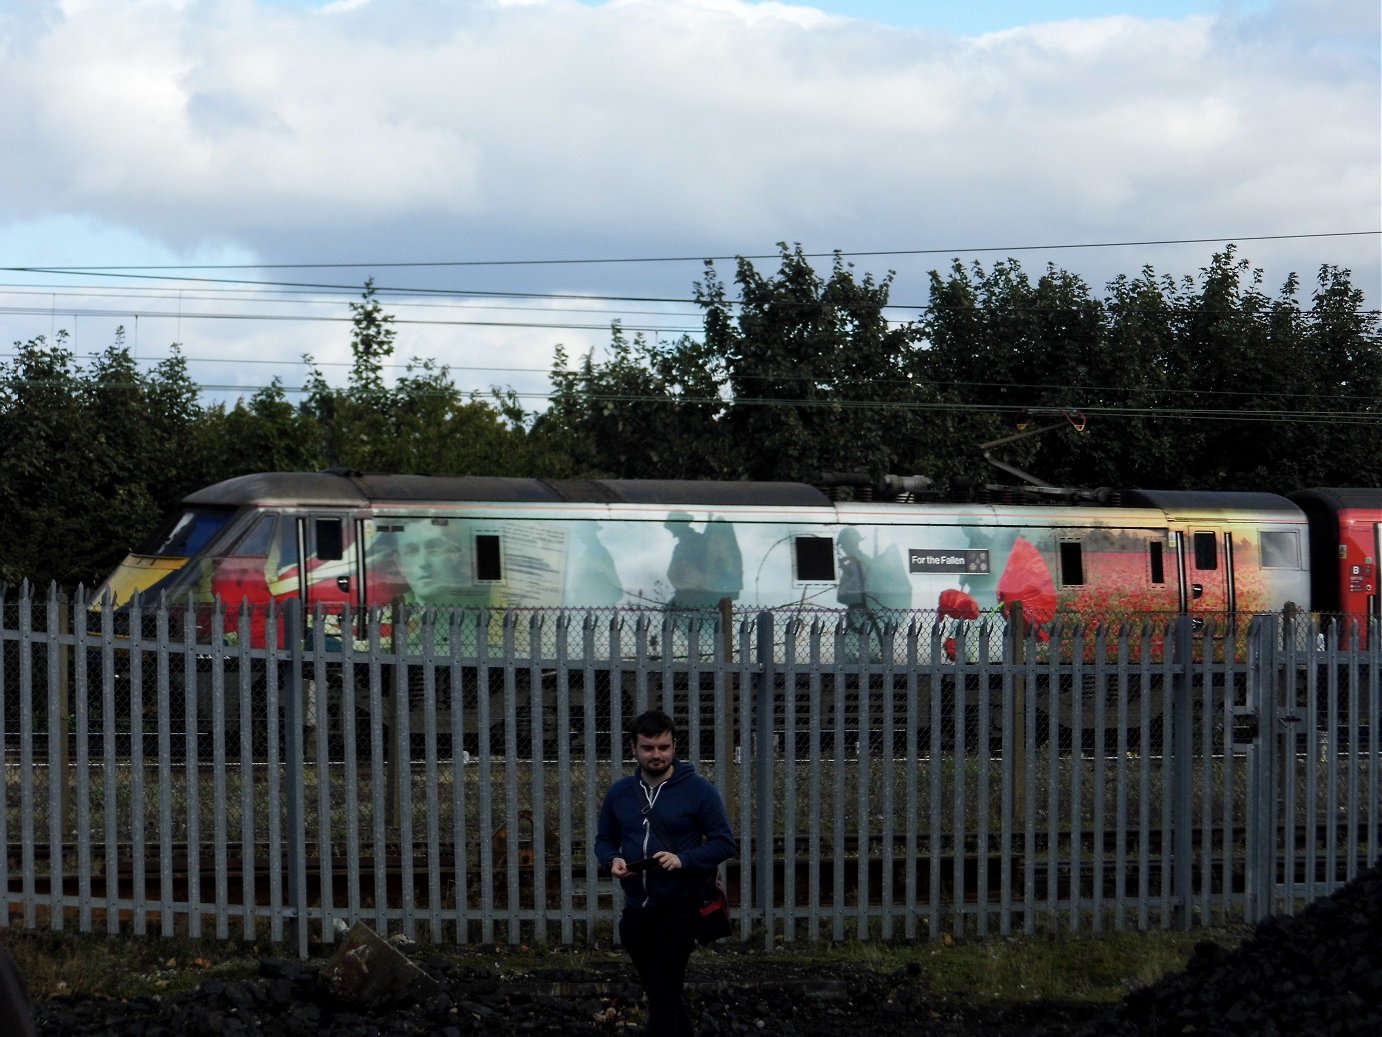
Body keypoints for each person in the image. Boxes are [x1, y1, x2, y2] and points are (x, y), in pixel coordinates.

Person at [596, 710, 736, 1037]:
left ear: (674, 746)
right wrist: (612, 859)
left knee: (664, 991)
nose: (656, 755)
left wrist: (683, 859)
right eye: (648, 748)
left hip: (680, 908)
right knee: (664, 993)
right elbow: (604, 840)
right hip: (637, 911)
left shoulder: (698, 790)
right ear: (634, 749)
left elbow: (724, 844)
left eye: (663, 747)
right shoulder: (620, 793)